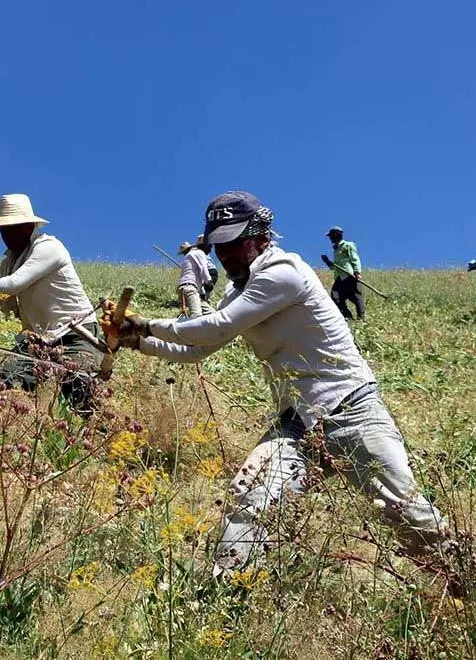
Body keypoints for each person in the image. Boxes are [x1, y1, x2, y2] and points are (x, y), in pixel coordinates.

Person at [112, 191, 447, 575]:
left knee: (404, 511)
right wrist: (137, 342)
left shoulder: (283, 273)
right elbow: (198, 349)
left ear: (261, 235)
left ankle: (473, 583)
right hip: (296, 421)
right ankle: (230, 588)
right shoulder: (237, 290)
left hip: (349, 407)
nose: (227, 255)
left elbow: (217, 327)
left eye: (235, 244)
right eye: (219, 247)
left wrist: (147, 324)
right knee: (249, 493)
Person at [0, 194, 102, 415]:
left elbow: (14, 284)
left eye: (13, 228)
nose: (7, 235)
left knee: (79, 386)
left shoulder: (49, 247)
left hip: (75, 331)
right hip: (38, 339)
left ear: (29, 226)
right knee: (7, 380)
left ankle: (99, 434)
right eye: (3, 230)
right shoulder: (8, 262)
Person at [321, 226, 365, 321]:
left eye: (330, 236)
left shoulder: (348, 245)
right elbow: (334, 267)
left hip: (349, 275)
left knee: (356, 297)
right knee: (335, 297)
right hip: (339, 277)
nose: (330, 238)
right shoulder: (335, 250)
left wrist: (357, 272)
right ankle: (348, 318)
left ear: (336, 234)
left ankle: (361, 320)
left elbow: (355, 259)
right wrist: (327, 261)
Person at [177, 234, 219, 317]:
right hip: (189, 288)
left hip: (188, 288)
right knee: (197, 316)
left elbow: (198, 278)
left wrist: (202, 293)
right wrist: (209, 281)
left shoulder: (191, 255)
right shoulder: (199, 253)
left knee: (213, 315)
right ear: (204, 245)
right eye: (210, 247)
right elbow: (203, 268)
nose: (210, 250)